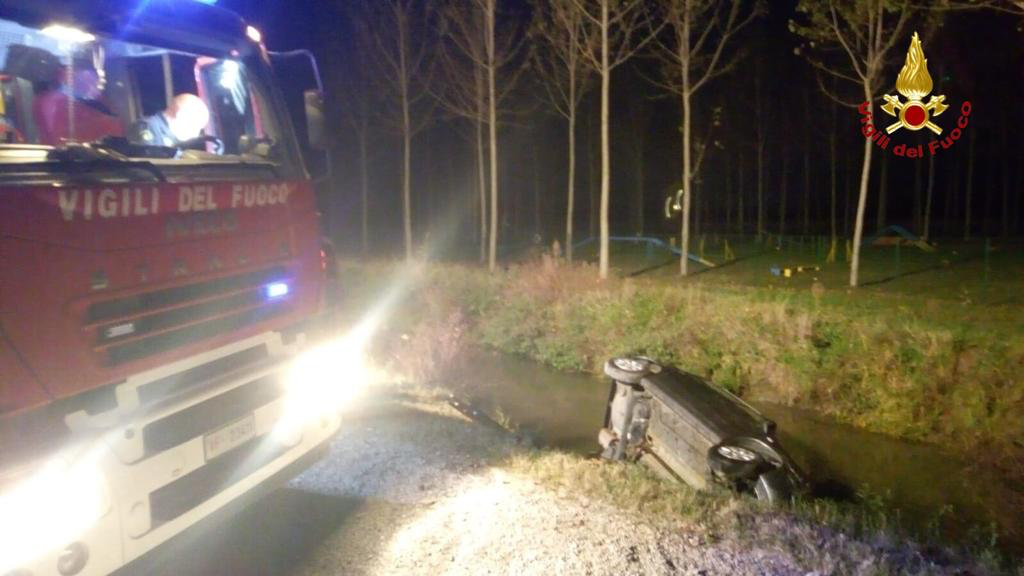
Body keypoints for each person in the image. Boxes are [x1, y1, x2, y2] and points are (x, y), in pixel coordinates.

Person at [128, 93, 210, 147]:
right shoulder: (147, 128)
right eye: (196, 126)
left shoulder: (173, 140)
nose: (196, 134)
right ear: (181, 115)